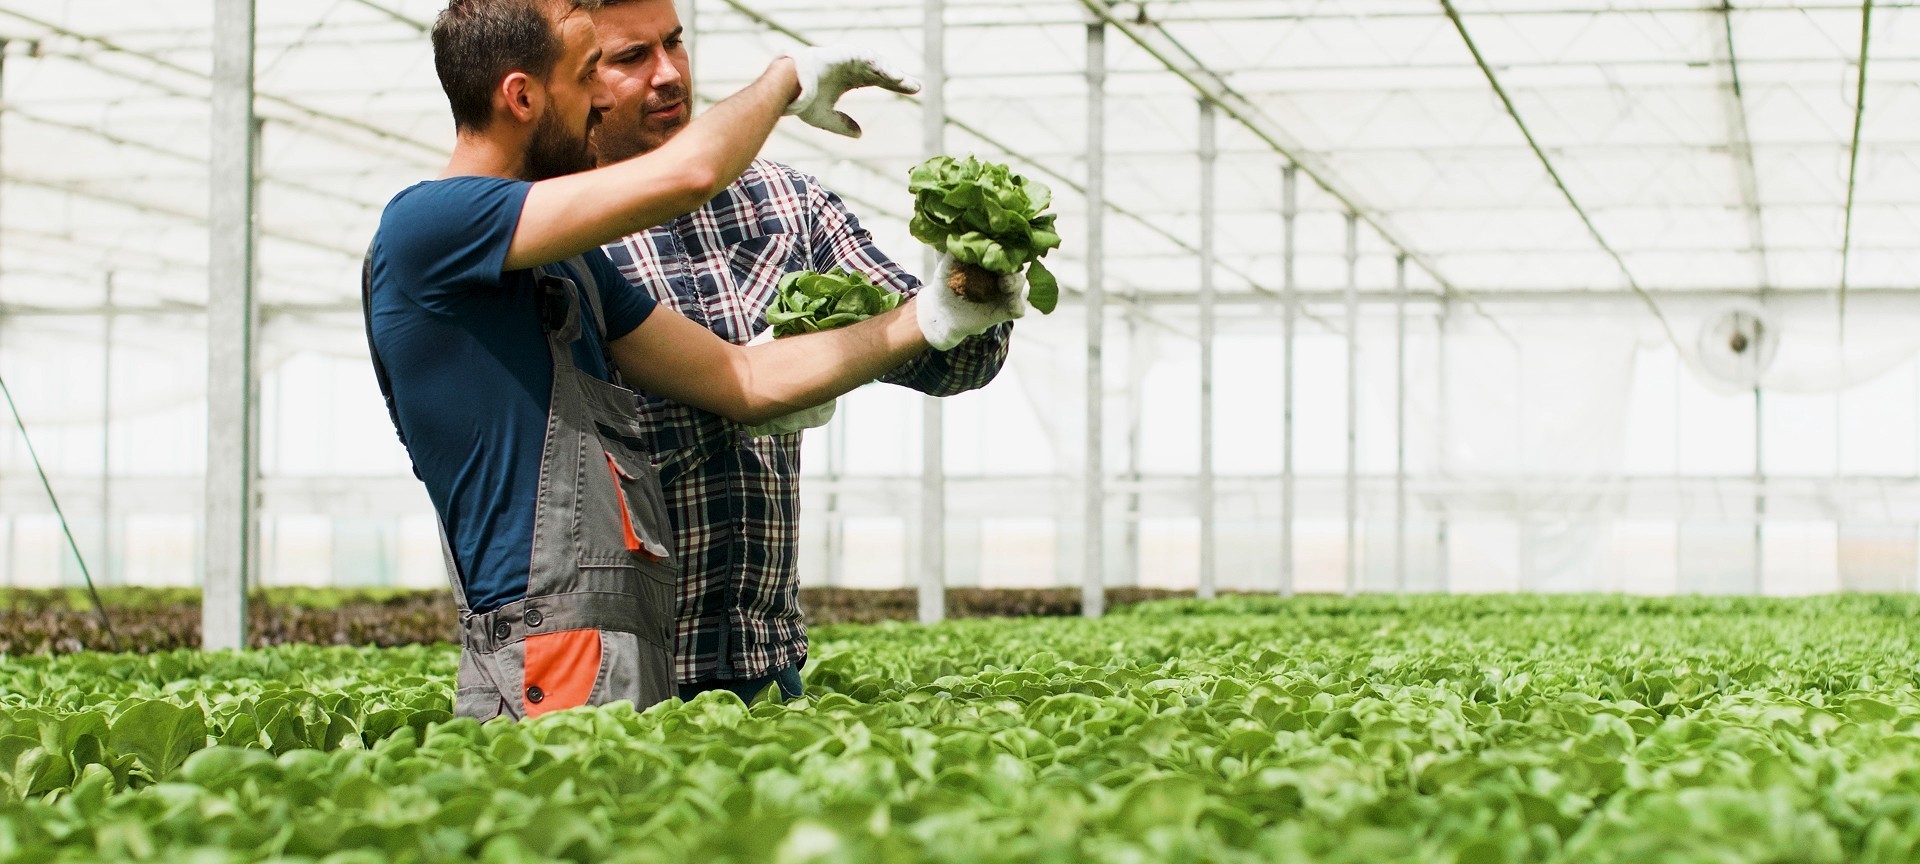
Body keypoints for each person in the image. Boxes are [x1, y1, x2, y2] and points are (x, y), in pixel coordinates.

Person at [365, 0, 1026, 722]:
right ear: (522, 97)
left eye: (673, 45)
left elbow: (742, 378)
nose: (600, 100)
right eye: (591, 74)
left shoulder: (572, 266)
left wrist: (932, 317)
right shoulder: (429, 224)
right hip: (548, 641)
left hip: (628, 639)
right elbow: (691, 174)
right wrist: (788, 79)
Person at [584, 0, 1018, 704]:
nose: (667, 73)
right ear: (575, 76)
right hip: (615, 671)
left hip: (763, 659)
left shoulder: (786, 202)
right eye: (632, 57)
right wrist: (757, 387)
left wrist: (971, 289)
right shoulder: (550, 224)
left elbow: (948, 359)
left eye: (674, 44)